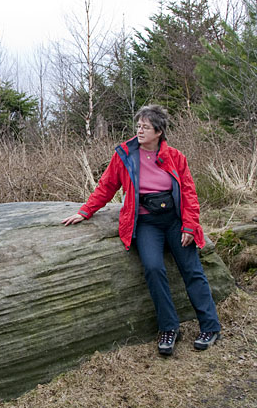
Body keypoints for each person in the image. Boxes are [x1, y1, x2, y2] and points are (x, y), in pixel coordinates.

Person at [61, 104, 220, 356]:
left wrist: (190, 225)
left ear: (159, 131)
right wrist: (85, 211)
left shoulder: (176, 157)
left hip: (174, 220)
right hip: (145, 222)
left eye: (145, 127)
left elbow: (189, 193)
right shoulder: (125, 154)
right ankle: (169, 328)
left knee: (192, 270)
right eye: (138, 126)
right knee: (154, 268)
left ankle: (210, 327)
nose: (140, 131)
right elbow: (106, 186)